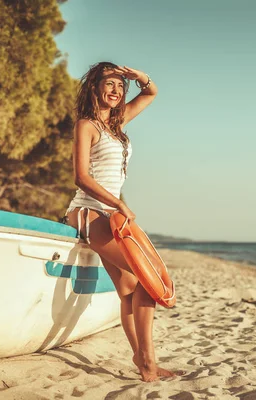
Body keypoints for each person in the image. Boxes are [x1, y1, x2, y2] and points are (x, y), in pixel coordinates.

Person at [64, 62, 177, 382]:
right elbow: (81, 177)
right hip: (90, 212)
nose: (115, 91)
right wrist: (118, 204)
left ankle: (144, 364)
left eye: (120, 86)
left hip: (111, 214)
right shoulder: (86, 125)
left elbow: (151, 93)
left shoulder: (117, 122)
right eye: (109, 84)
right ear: (94, 87)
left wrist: (140, 77)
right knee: (146, 282)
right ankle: (148, 361)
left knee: (129, 290)